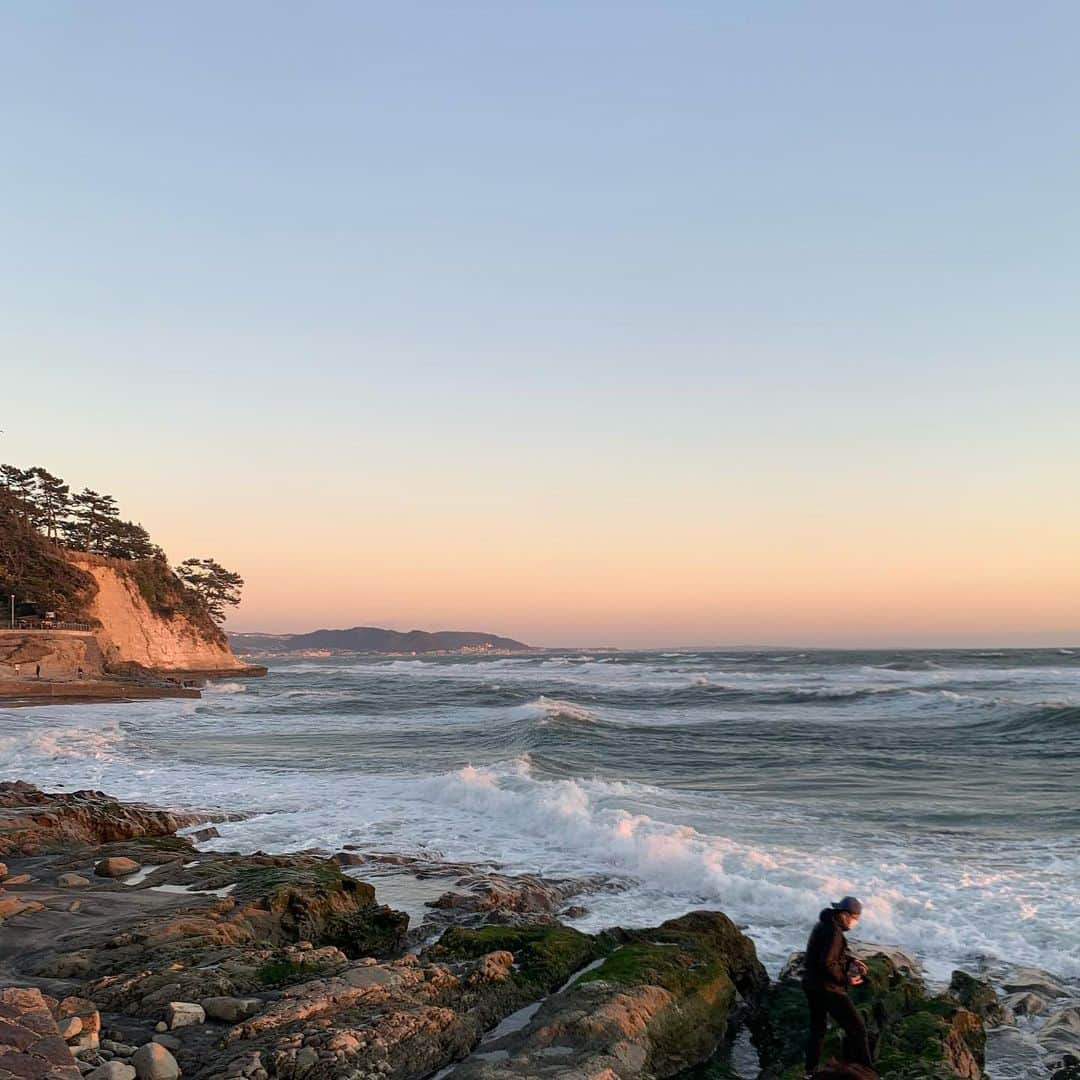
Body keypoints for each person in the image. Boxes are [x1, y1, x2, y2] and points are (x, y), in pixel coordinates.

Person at [802, 896, 872, 1076]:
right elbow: (827, 963)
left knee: (818, 1029)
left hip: (812, 984)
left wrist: (850, 960)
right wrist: (846, 980)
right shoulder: (835, 933)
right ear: (845, 915)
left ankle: (810, 1071)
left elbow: (823, 955)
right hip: (828, 989)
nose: (855, 922)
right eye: (855, 918)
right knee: (857, 1029)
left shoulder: (823, 925)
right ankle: (866, 1071)